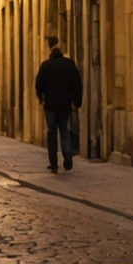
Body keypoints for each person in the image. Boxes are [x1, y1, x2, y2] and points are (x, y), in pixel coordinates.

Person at [35, 43, 84, 172]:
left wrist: (41, 96)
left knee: (51, 131)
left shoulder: (46, 65)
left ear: (51, 56)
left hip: (50, 105)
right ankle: (67, 154)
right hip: (65, 104)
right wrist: (76, 101)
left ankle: (54, 163)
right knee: (64, 129)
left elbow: (39, 83)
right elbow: (77, 83)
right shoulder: (69, 64)